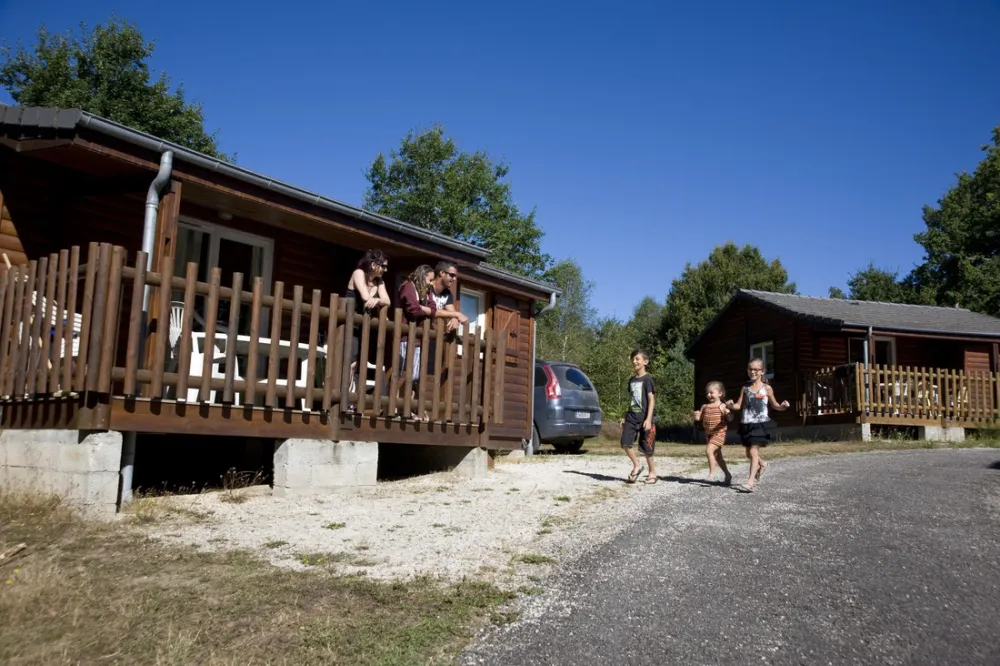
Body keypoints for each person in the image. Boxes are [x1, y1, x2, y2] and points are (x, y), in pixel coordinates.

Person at [725, 357, 790, 493]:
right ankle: (762, 464)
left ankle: (750, 482)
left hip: (760, 424)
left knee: (754, 451)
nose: (753, 372)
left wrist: (783, 406)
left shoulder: (767, 388)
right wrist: (731, 406)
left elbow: (775, 405)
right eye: (750, 369)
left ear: (762, 371)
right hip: (746, 423)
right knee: (749, 453)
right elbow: (738, 405)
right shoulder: (745, 388)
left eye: (756, 369)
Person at [345, 250, 390, 403]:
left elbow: (387, 300)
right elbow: (365, 296)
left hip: (362, 325)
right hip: (348, 323)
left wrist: (376, 300)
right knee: (349, 363)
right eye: (383, 266)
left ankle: (350, 400)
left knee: (357, 364)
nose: (385, 270)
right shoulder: (359, 273)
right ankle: (344, 399)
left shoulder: (379, 281)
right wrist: (375, 298)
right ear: (373, 264)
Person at [397, 264, 437, 419]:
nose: (431, 283)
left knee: (415, 376)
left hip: (419, 339)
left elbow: (433, 309)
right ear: (422, 276)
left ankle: (409, 408)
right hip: (407, 337)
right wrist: (424, 309)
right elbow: (413, 309)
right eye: (430, 279)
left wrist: (425, 308)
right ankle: (400, 409)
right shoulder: (408, 287)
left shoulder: (426, 292)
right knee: (406, 374)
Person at [619, 349, 657, 484]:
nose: (634, 361)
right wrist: (625, 416)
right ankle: (637, 465)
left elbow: (651, 400)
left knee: (647, 448)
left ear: (645, 362)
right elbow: (632, 400)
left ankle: (652, 473)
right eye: (633, 359)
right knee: (625, 443)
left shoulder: (648, 380)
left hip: (645, 419)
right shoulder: (631, 381)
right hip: (631, 417)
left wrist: (648, 419)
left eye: (637, 359)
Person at [693, 381, 733, 485]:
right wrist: (695, 415)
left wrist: (728, 414)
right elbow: (698, 418)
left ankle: (711, 475)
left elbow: (730, 418)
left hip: (719, 434)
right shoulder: (705, 406)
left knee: (709, 451)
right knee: (718, 457)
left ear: (720, 393)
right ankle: (727, 474)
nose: (708, 395)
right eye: (707, 393)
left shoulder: (722, 406)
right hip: (708, 435)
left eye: (711, 392)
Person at [429, 261, 470, 334]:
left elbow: (452, 312)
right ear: (441, 273)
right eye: (452, 275)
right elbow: (431, 311)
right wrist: (457, 314)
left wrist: (454, 318)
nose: (454, 279)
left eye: (455, 276)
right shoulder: (427, 289)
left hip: (430, 334)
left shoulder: (447, 294)